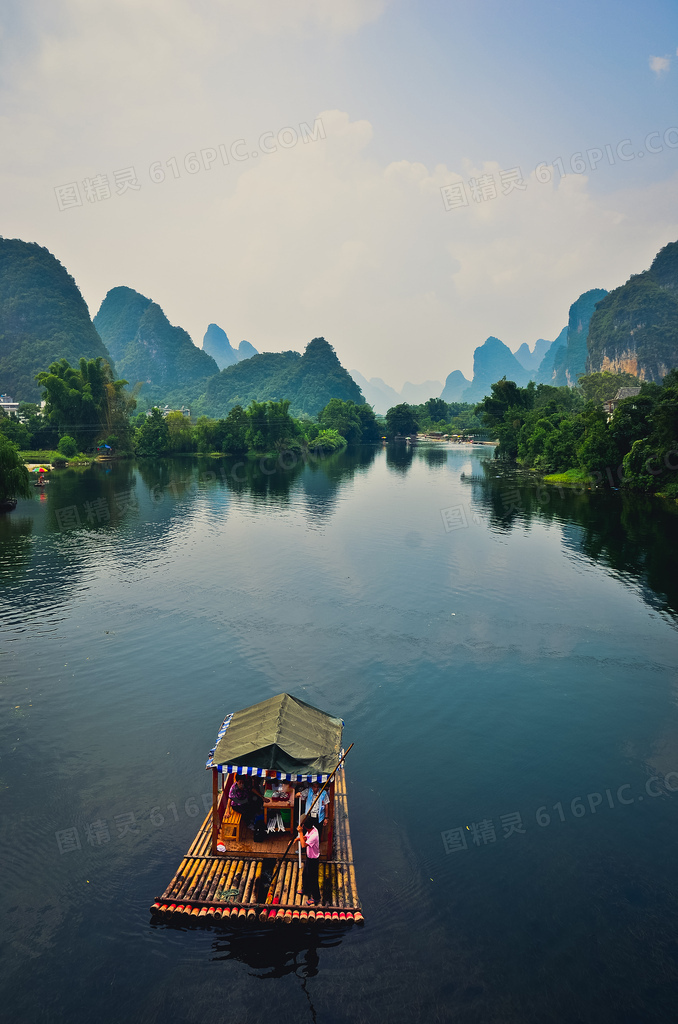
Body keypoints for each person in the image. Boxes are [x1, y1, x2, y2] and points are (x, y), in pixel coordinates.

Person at [295, 818, 321, 905]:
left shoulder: (315, 835)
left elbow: (303, 845)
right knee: (305, 874)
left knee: (313, 879)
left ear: (305, 827)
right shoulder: (311, 830)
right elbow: (306, 838)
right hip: (309, 857)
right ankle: (305, 890)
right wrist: (298, 839)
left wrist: (300, 833)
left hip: (313, 860)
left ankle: (316, 898)